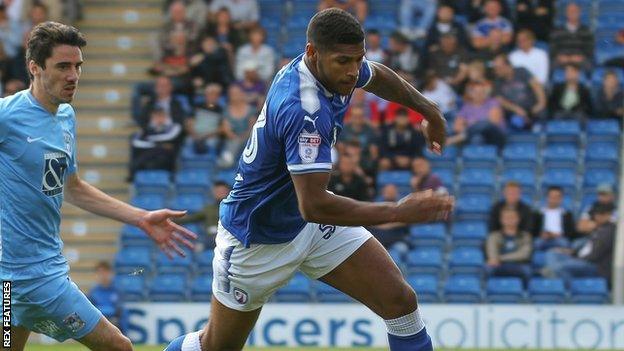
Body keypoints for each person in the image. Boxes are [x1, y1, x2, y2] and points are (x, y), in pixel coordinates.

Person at [164, 8, 453, 351]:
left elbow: (376, 76)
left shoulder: (332, 69)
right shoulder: (304, 110)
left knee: (400, 302)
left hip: (307, 225)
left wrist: (429, 110)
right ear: (313, 52)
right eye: (343, 61)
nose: (352, 70)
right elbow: (314, 205)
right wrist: (398, 212)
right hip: (258, 237)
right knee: (216, 346)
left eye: (357, 59)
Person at [0, 22, 197, 351]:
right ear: (34, 68)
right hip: (9, 283)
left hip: (43, 273)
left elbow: (73, 187)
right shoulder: (7, 116)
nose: (73, 75)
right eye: (63, 66)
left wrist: (140, 217)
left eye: (78, 66)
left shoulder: (66, 117)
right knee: (119, 347)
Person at [544, 203, 616, 285]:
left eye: (601, 214)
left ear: (608, 215)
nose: (597, 217)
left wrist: (578, 258)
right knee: (552, 253)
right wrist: (572, 252)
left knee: (561, 267)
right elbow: (586, 246)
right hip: (583, 258)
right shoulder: (598, 229)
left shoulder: (609, 231)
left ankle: (569, 290)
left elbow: (595, 254)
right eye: (597, 214)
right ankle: (552, 272)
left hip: (595, 265)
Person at [493, 53, 547, 129]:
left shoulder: (521, 71)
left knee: (542, 115)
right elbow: (500, 100)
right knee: (517, 123)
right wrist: (516, 109)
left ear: (508, 66)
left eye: (499, 68)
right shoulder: (498, 80)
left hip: (533, 108)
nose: (496, 71)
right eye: (495, 68)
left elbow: (537, 86)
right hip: (514, 112)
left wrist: (541, 103)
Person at [175, 181, 232, 248]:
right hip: (210, 239)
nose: (219, 193)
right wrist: (171, 220)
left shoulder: (236, 209)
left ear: (228, 192)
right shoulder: (208, 209)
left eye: (222, 191)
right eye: (217, 191)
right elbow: (191, 218)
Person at [486, 207, 533, 283]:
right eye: (506, 218)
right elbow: (492, 254)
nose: (509, 220)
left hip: (518, 265)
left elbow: (524, 254)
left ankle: (525, 293)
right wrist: (495, 259)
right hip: (499, 266)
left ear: (518, 219)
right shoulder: (494, 236)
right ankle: (485, 292)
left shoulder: (525, 236)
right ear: (501, 220)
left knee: (527, 270)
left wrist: (501, 258)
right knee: (487, 269)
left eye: (512, 217)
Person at [549, 2, 594, 69]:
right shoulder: (557, 31)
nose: (572, 13)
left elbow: (590, 48)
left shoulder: (586, 31)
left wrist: (581, 57)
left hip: (580, 59)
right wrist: (559, 56)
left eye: (575, 11)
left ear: (579, 13)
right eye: (570, 11)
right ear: (566, 13)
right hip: (562, 59)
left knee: (588, 66)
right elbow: (553, 48)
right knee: (551, 66)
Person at [532, 186, 576, 251]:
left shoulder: (567, 214)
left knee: (565, 244)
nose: (554, 199)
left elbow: (571, 232)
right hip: (543, 239)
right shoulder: (538, 214)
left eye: (557, 197)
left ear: (561, 199)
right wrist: (541, 234)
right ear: (547, 197)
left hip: (560, 238)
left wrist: (559, 234)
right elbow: (533, 230)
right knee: (535, 244)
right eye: (551, 196)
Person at [87, 261, 120, 328]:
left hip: (113, 323)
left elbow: (119, 310)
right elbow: (90, 310)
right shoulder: (93, 292)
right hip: (97, 323)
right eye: (100, 273)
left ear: (111, 273)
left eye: (105, 272)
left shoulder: (117, 291)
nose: (103, 275)